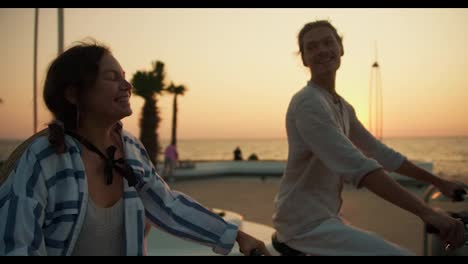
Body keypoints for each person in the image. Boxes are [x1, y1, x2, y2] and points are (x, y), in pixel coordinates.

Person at [0, 41, 270, 256]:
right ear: (73, 94)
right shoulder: (43, 158)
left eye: (125, 77)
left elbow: (168, 206)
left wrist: (236, 235)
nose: (127, 86)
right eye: (112, 77)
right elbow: (18, 245)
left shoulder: (129, 147)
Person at [272, 20, 466, 256]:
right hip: (301, 226)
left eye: (327, 42)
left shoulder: (343, 106)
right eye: (311, 47)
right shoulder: (307, 103)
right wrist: (427, 212)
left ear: (341, 48)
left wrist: (438, 182)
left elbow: (379, 152)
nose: (321, 50)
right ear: (304, 59)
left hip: (325, 217)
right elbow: (358, 165)